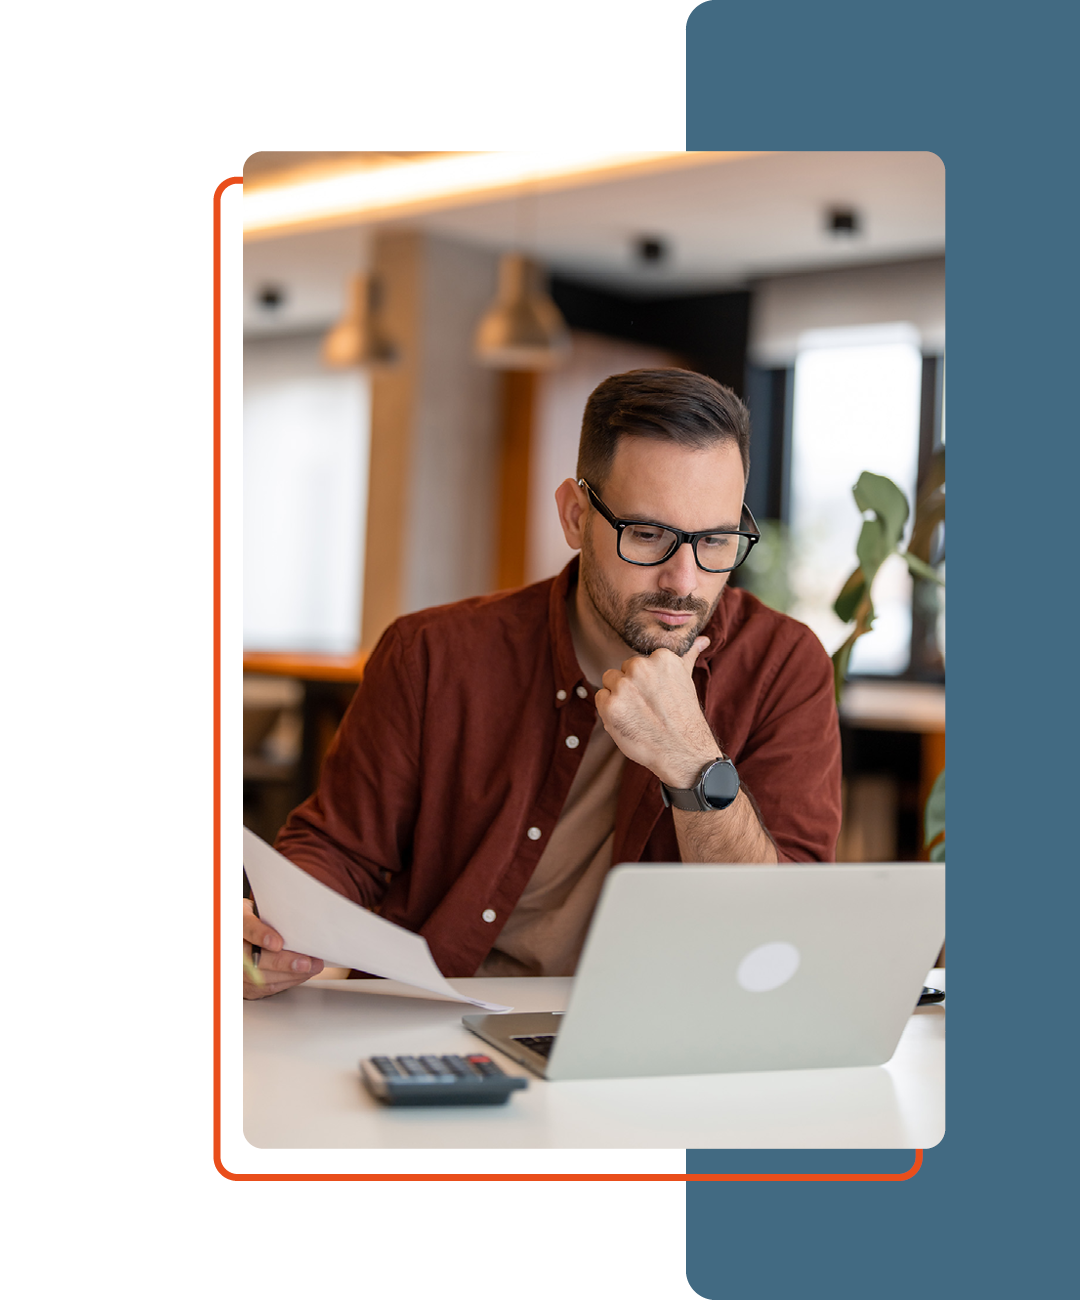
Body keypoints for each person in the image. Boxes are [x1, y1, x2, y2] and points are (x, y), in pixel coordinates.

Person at [244, 368, 842, 998]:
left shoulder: (782, 666)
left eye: (716, 541)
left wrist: (692, 761)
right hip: (430, 1019)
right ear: (575, 515)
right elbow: (341, 849)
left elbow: (779, 937)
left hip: (651, 1036)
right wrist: (273, 940)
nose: (684, 581)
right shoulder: (431, 655)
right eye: (647, 535)